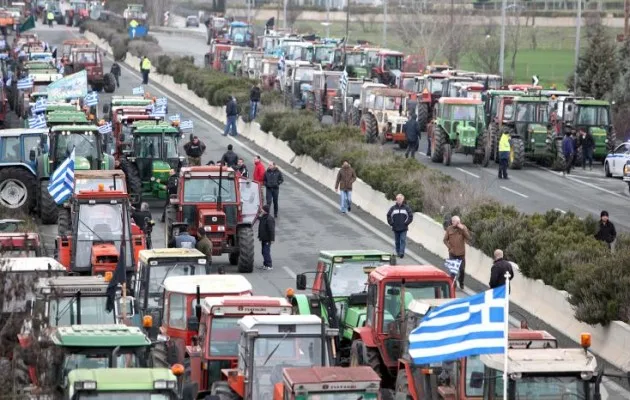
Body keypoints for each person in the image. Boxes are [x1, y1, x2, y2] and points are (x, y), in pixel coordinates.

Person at [443, 215, 471, 289]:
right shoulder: (449, 229)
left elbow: (468, 237)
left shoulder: (463, 228)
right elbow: (445, 240)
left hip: (461, 254)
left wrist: (463, 229)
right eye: (453, 221)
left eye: (455, 221)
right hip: (452, 253)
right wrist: (450, 248)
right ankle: (453, 284)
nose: (453, 223)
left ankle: (461, 282)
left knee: (462, 270)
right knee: (453, 271)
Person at [386, 194, 413, 259]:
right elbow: (388, 216)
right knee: (397, 241)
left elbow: (410, 216)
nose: (399, 200)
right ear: (396, 199)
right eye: (398, 199)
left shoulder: (406, 208)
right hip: (395, 228)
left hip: (404, 228)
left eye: (400, 199)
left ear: (403, 199)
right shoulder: (393, 208)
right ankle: (398, 252)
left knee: (403, 240)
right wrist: (392, 223)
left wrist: (406, 223)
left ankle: (401, 253)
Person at [257, 204, 275, 270]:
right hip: (263, 238)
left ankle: (269, 265)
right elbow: (258, 218)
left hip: (267, 239)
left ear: (265, 211)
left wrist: (272, 239)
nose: (261, 210)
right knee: (263, 251)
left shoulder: (269, 219)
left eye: (262, 209)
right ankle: (265, 264)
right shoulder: (263, 217)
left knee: (266, 251)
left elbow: (271, 230)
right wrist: (260, 212)